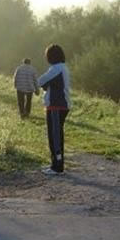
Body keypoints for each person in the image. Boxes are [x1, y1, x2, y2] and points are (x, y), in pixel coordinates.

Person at [38, 44, 71, 175]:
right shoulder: (62, 68)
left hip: (56, 106)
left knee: (55, 137)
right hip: (59, 105)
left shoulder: (56, 68)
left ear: (51, 56)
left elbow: (41, 81)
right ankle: (55, 164)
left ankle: (57, 167)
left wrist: (40, 85)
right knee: (55, 136)